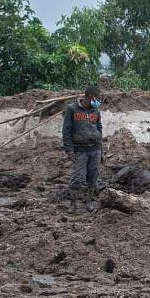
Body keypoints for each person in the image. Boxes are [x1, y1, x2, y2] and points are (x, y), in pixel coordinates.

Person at [62, 85, 104, 213]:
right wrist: (69, 150)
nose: (99, 101)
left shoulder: (96, 110)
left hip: (95, 149)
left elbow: (99, 128)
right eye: (98, 99)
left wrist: (101, 150)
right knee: (77, 177)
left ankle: (89, 201)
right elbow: (66, 131)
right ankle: (73, 203)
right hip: (80, 150)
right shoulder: (72, 109)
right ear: (90, 97)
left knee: (93, 176)